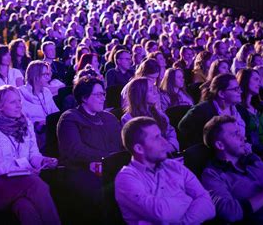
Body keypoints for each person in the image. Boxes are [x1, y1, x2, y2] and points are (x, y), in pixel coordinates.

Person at [0, 85, 61, 225]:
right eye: (13, 102)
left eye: (19, 101)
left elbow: (33, 155)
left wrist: (44, 160)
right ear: (0, 107)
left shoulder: (26, 123)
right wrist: (19, 169)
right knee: (36, 184)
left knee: (24, 206)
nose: (19, 105)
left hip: (19, 182)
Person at [115, 117, 216, 224]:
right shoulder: (126, 178)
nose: (165, 142)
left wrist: (183, 222)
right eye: (156, 138)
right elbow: (161, 214)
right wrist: (189, 199)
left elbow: (208, 204)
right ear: (139, 149)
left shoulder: (174, 166)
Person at [57, 76, 123, 223]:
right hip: (82, 169)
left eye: (103, 94)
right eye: (98, 95)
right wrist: (107, 158)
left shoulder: (109, 118)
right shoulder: (70, 118)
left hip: (111, 167)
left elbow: (121, 144)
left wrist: (114, 161)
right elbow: (75, 150)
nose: (103, 98)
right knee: (102, 192)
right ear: (84, 97)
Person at [201, 115, 263, 223]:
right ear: (220, 145)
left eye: (240, 132)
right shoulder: (212, 174)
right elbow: (229, 213)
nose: (244, 137)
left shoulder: (252, 159)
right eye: (235, 134)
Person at [178, 73, 246, 149]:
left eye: (239, 88)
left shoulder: (240, 110)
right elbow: (183, 127)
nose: (240, 92)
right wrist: (205, 147)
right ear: (221, 94)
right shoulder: (201, 111)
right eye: (235, 89)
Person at [236, 68, 263, 172]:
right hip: (259, 151)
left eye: (259, 80)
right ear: (244, 80)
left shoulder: (262, 105)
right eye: (255, 79)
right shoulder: (237, 108)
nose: (259, 83)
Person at [122, 77, 179, 151]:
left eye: (154, 89)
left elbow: (170, 132)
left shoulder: (159, 113)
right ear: (141, 94)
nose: (155, 93)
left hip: (167, 152)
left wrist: (170, 146)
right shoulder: (128, 119)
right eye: (151, 90)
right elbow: (137, 145)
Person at [18, 61, 59, 150]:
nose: (48, 78)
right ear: (35, 76)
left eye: (48, 74)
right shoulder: (20, 93)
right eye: (45, 75)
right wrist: (37, 123)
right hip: (31, 132)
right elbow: (20, 119)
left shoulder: (47, 92)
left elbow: (56, 113)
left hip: (49, 129)